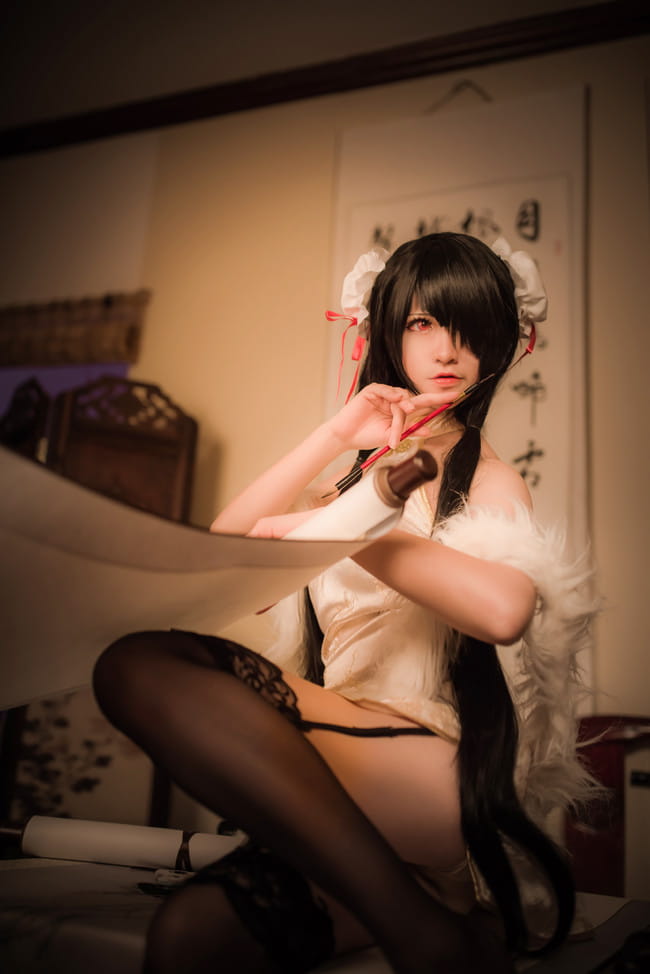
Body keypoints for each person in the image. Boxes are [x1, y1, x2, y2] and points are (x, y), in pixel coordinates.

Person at [93, 232, 597, 974]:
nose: (447, 348)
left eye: (470, 327)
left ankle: (423, 936)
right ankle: (425, 918)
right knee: (188, 939)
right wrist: (335, 436)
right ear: (388, 332)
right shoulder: (349, 483)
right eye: (423, 323)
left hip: (424, 764)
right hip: (346, 784)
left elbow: (504, 612)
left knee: (136, 666)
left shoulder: (487, 478)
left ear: (499, 341)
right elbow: (217, 564)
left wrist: (346, 533)